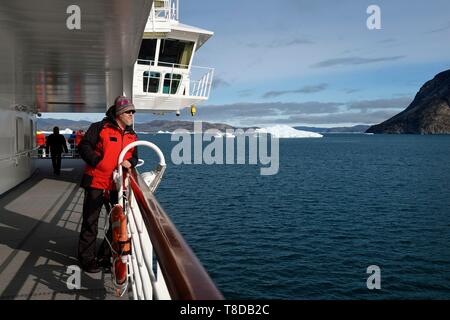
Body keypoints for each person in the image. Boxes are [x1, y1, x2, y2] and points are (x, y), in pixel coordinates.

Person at [77, 96, 138, 273]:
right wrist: (98, 161)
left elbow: (134, 157)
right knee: (90, 222)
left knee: (116, 223)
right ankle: (86, 259)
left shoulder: (132, 135)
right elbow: (84, 147)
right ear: (119, 113)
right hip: (96, 182)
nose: (131, 115)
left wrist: (130, 163)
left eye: (133, 112)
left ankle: (105, 256)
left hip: (117, 186)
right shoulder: (99, 128)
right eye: (128, 112)